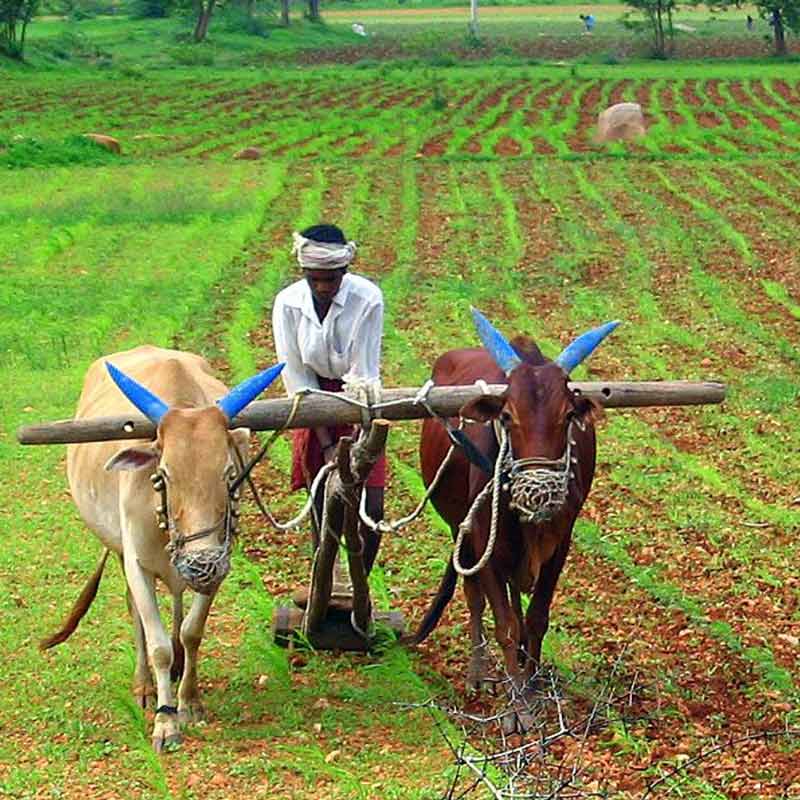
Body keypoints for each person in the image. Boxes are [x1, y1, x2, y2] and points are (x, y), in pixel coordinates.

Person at [272, 224, 386, 575]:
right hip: (312, 403)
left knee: (373, 506)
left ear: (345, 272)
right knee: (323, 500)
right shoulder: (288, 303)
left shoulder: (367, 298)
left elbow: (363, 373)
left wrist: (358, 444)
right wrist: (325, 444)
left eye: (332, 279)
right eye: (315, 279)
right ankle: (324, 578)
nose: (323, 287)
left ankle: (359, 583)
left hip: (359, 401)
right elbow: (297, 377)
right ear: (304, 273)